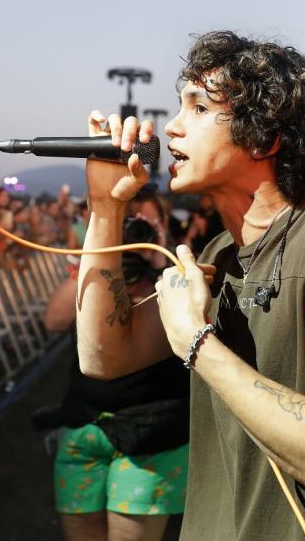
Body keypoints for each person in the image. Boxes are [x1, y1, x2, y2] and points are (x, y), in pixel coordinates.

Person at [76, 31, 305, 540]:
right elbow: (104, 357)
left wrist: (197, 344)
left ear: (263, 137)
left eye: (198, 108)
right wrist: (106, 209)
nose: (172, 128)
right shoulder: (219, 254)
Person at [40, 217, 192, 541]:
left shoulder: (173, 275)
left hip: (150, 439)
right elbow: (54, 319)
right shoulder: (100, 270)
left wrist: (161, 264)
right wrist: (99, 257)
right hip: (84, 430)